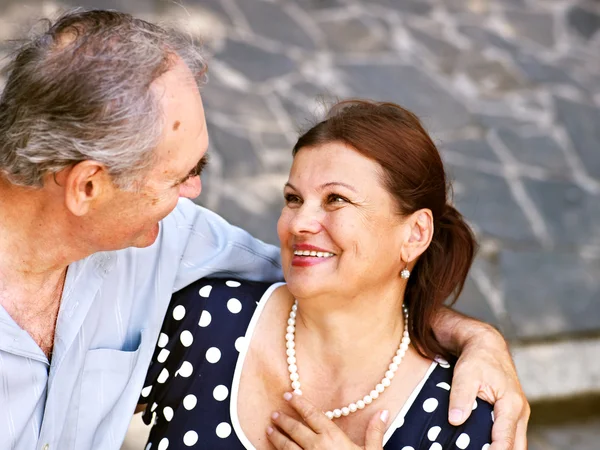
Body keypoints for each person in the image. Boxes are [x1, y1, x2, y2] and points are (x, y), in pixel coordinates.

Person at [0, 10, 527, 450]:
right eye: (180, 177)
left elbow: (327, 276)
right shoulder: (182, 292)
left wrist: (474, 335)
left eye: (335, 200)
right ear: (88, 187)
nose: (193, 196)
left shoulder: (168, 239)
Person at [138, 100, 524, 449]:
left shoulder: (460, 416)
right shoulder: (203, 320)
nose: (300, 223)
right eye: (293, 199)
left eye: (335, 200)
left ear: (415, 234)